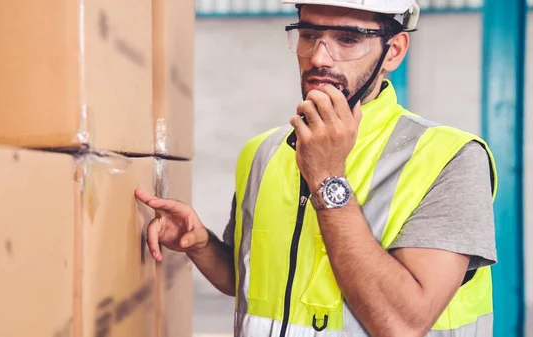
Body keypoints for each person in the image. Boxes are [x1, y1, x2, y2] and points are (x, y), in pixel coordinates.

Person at [135, 0, 498, 336]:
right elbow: (248, 282)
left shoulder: (450, 158)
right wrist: (200, 244)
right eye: (309, 35)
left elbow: (401, 323)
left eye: (347, 38)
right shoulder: (262, 152)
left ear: (395, 51)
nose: (319, 57)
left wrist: (327, 177)